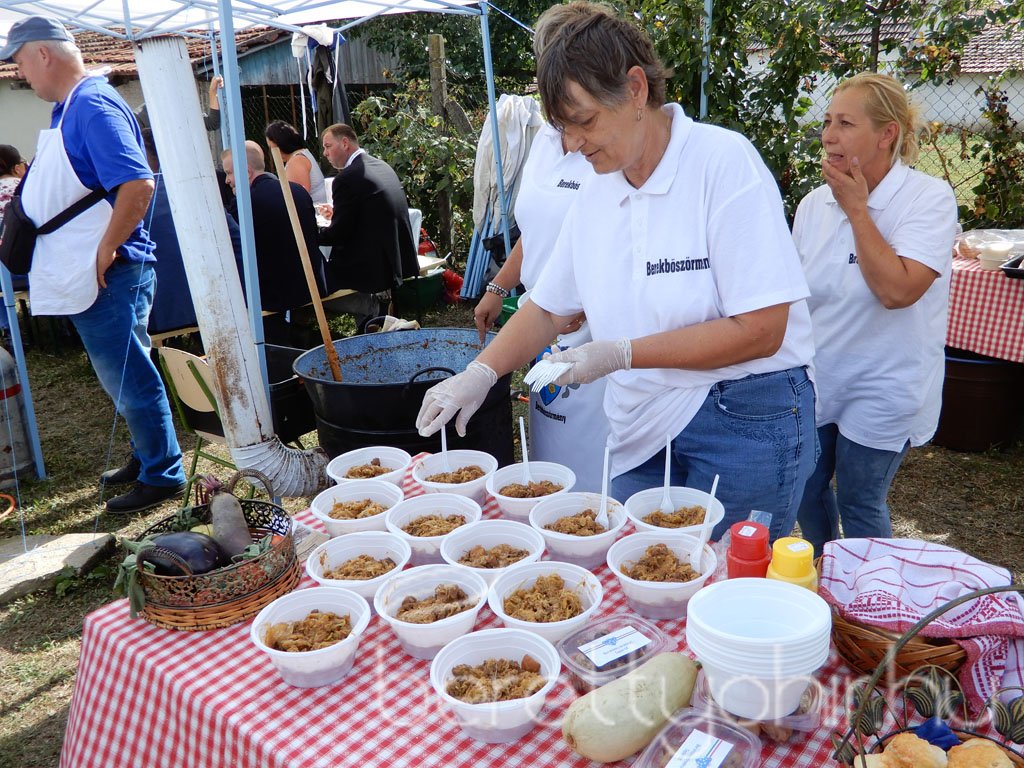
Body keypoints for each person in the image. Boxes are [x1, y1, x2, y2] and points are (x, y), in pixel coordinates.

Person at [417, 2, 817, 542]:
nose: (573, 144)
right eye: (562, 129)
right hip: (639, 421)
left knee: (724, 583)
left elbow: (762, 330)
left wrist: (622, 352)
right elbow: (547, 305)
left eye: (584, 121)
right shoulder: (596, 191)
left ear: (635, 89)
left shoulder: (722, 165)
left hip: (741, 416)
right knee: (632, 574)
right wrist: (481, 373)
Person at [2, 16, 186, 514]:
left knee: (130, 377)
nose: (19, 74)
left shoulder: (93, 104)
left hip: (111, 272)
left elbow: (138, 183)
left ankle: (163, 473)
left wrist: (105, 248)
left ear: (43, 54)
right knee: (122, 376)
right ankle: (147, 455)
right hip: (98, 274)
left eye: (19, 62)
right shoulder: (71, 108)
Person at [794, 73, 958, 556]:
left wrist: (858, 211)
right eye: (827, 122)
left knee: (861, 502)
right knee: (805, 490)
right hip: (822, 374)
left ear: (887, 134)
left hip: (887, 381)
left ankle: (874, 606)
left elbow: (897, 290)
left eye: (845, 123)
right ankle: (829, 579)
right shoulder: (812, 204)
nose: (828, 135)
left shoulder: (926, 199)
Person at [473, 2, 608, 492]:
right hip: (542, 326)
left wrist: (583, 303)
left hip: (597, 335)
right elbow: (538, 232)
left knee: (597, 475)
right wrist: (497, 286)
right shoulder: (547, 143)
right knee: (550, 462)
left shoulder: (608, 144)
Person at [222, 140, 326, 346]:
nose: (227, 180)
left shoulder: (245, 203)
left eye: (229, 173)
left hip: (275, 294)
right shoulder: (297, 191)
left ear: (247, 172)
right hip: (312, 282)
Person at [318, 123, 418, 330]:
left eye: (328, 146)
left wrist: (310, 233)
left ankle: (369, 309)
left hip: (371, 267)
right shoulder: (381, 165)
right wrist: (337, 214)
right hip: (396, 258)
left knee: (312, 281)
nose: (325, 153)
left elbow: (338, 235)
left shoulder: (346, 179)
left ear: (345, 143)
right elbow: (370, 212)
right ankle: (374, 312)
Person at [265, 120, 327, 204]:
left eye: (271, 147)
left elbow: (298, 199)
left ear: (280, 144)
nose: (271, 152)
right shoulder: (302, 154)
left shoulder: (296, 162)